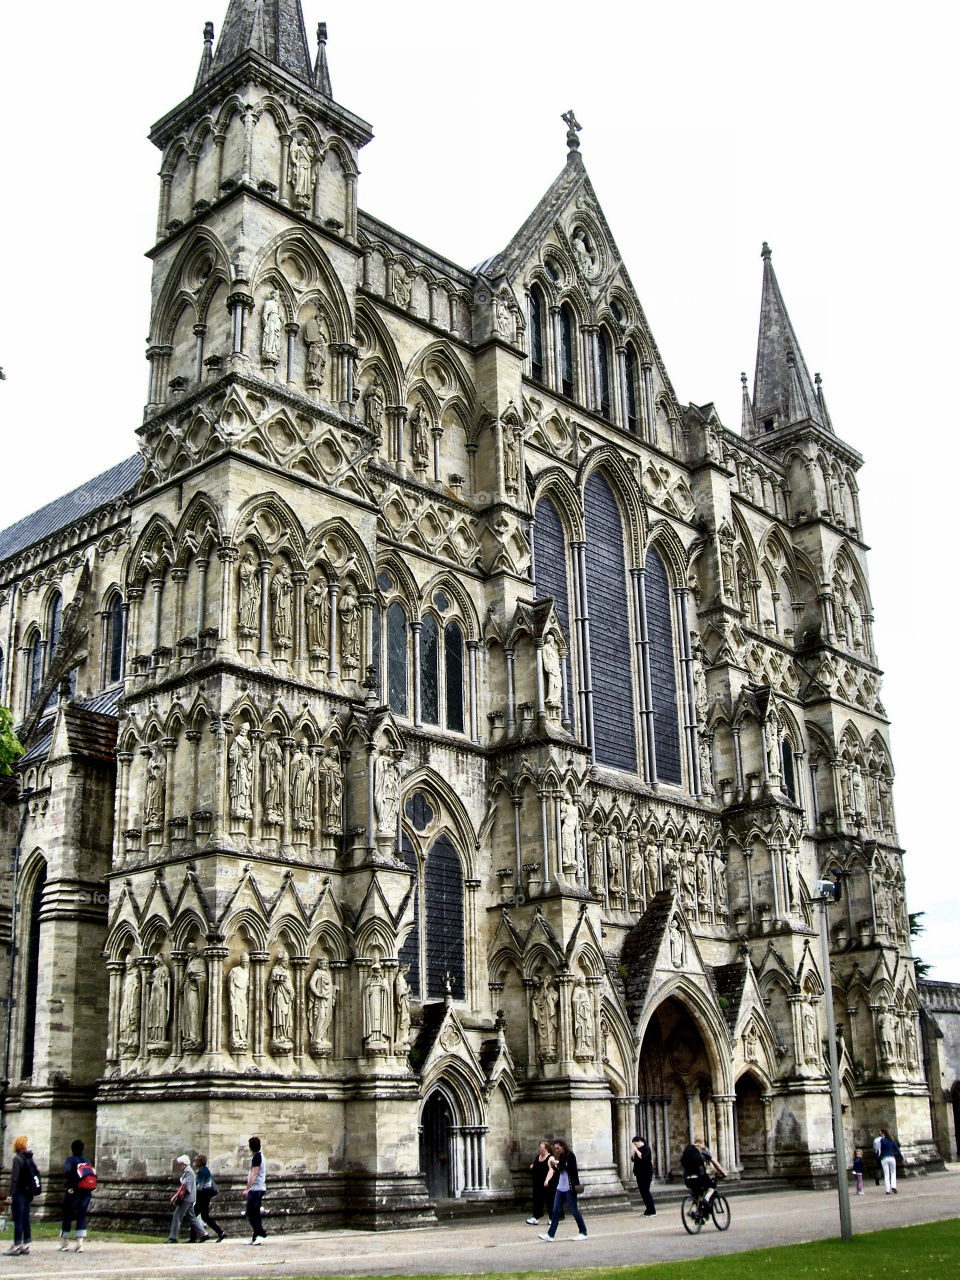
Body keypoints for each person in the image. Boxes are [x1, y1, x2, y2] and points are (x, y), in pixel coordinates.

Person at [538, 1139, 588, 1241]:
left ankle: (583, 1232)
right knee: (555, 1210)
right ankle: (550, 1234)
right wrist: (554, 1167)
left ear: (563, 1146)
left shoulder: (570, 1156)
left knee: (574, 1210)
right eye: (555, 1149)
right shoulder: (561, 1156)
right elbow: (560, 1171)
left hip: (569, 1187)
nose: (557, 1150)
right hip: (561, 1187)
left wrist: (559, 1164)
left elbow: (572, 1169)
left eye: (558, 1148)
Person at [4, 1135, 35, 1256]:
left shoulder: (17, 1159)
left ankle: (16, 1245)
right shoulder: (29, 1158)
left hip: (19, 1192)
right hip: (29, 1192)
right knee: (26, 1218)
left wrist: (10, 1194)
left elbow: (14, 1178)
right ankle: (26, 1245)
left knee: (18, 1219)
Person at [59, 1138, 92, 1252]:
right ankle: (80, 1244)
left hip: (74, 1191)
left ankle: (65, 1242)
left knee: (67, 1214)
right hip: (86, 1191)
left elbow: (68, 1172)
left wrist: (70, 1185)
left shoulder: (70, 1160)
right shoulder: (86, 1160)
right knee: (81, 1216)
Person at [167, 1153, 208, 1244]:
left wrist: (175, 1196)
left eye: (180, 1164)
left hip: (187, 1198)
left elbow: (185, 1187)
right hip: (189, 1198)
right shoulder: (187, 1172)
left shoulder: (188, 1172)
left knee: (177, 1216)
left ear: (184, 1164)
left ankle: (173, 1238)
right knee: (192, 1217)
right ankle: (203, 1234)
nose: (179, 1166)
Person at [680, 1136, 726, 1207]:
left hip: (687, 1177)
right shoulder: (703, 1150)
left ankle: (696, 1212)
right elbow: (715, 1163)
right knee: (711, 1186)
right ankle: (706, 1199)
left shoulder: (688, 1150)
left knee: (697, 1194)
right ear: (702, 1142)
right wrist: (723, 1173)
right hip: (699, 1176)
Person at [242, 1135, 267, 1244]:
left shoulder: (257, 1157)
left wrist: (247, 1189)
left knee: (250, 1212)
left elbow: (254, 1174)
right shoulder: (259, 1156)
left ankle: (261, 1233)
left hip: (256, 1189)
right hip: (257, 1188)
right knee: (255, 1212)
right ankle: (256, 1236)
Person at [194, 1154, 225, 1242]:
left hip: (202, 1195)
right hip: (205, 1195)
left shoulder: (202, 1172)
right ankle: (220, 1232)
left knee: (193, 1215)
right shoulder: (205, 1170)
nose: (195, 1162)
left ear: (200, 1162)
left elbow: (199, 1187)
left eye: (196, 1161)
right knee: (204, 1216)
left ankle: (197, 1236)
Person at [526, 1140, 554, 1225]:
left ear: (546, 1149)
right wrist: (533, 1166)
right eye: (539, 1147)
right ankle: (535, 1217)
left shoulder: (550, 1158)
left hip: (547, 1183)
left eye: (541, 1147)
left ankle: (552, 1218)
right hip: (537, 1183)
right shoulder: (538, 1157)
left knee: (550, 1201)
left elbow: (551, 1170)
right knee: (537, 1199)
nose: (539, 1149)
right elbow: (536, 1165)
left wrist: (547, 1180)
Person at [631, 1135, 656, 1216]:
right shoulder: (638, 1149)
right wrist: (634, 1152)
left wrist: (636, 1151)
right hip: (639, 1173)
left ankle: (652, 1210)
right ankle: (648, 1210)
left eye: (636, 1144)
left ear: (639, 1141)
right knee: (643, 1192)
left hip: (646, 1173)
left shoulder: (646, 1148)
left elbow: (643, 1157)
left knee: (646, 1191)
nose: (635, 1146)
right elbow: (633, 1159)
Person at [878, 1127, 902, 1194]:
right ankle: (894, 1186)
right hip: (891, 1157)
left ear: (883, 1133)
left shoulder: (882, 1140)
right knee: (893, 1173)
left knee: (886, 1174)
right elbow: (897, 1149)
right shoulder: (892, 1140)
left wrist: (879, 1157)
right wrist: (901, 1157)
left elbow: (881, 1150)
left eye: (880, 1133)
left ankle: (887, 1190)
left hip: (884, 1158)